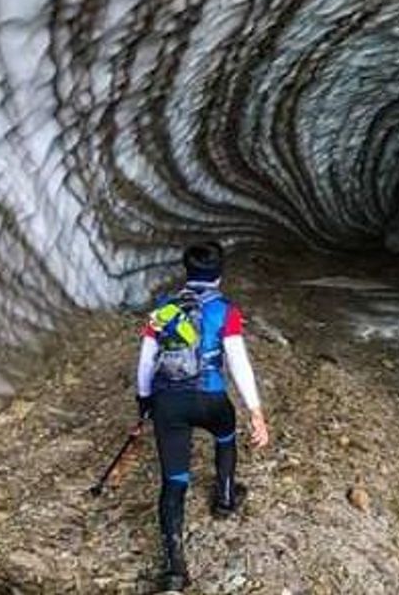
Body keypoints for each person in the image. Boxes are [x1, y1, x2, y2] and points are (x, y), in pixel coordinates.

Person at [135, 242, 269, 591]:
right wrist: (256, 412)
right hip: (211, 399)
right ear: (219, 274)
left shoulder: (163, 309)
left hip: (169, 403)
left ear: (186, 270)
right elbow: (238, 362)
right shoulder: (225, 310)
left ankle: (175, 570)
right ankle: (225, 498)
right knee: (225, 436)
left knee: (174, 483)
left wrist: (145, 400)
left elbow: (147, 360)